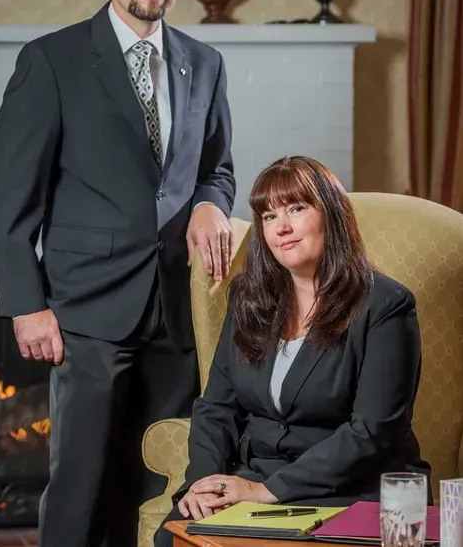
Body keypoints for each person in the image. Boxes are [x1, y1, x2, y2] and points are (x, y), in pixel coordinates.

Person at [0, 0, 236, 547]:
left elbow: (218, 170)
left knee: (161, 486)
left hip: (177, 311)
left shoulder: (204, 63)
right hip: (86, 309)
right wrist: (26, 304)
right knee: (82, 484)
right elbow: (9, 191)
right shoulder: (53, 61)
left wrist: (210, 201)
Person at [155, 155, 431, 547]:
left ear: (330, 215)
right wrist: (205, 482)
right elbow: (217, 406)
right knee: (172, 538)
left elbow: (372, 432)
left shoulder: (385, 306)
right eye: (268, 216)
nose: (281, 227)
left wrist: (266, 491)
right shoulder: (249, 299)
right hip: (254, 477)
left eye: (296, 209)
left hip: (354, 487)